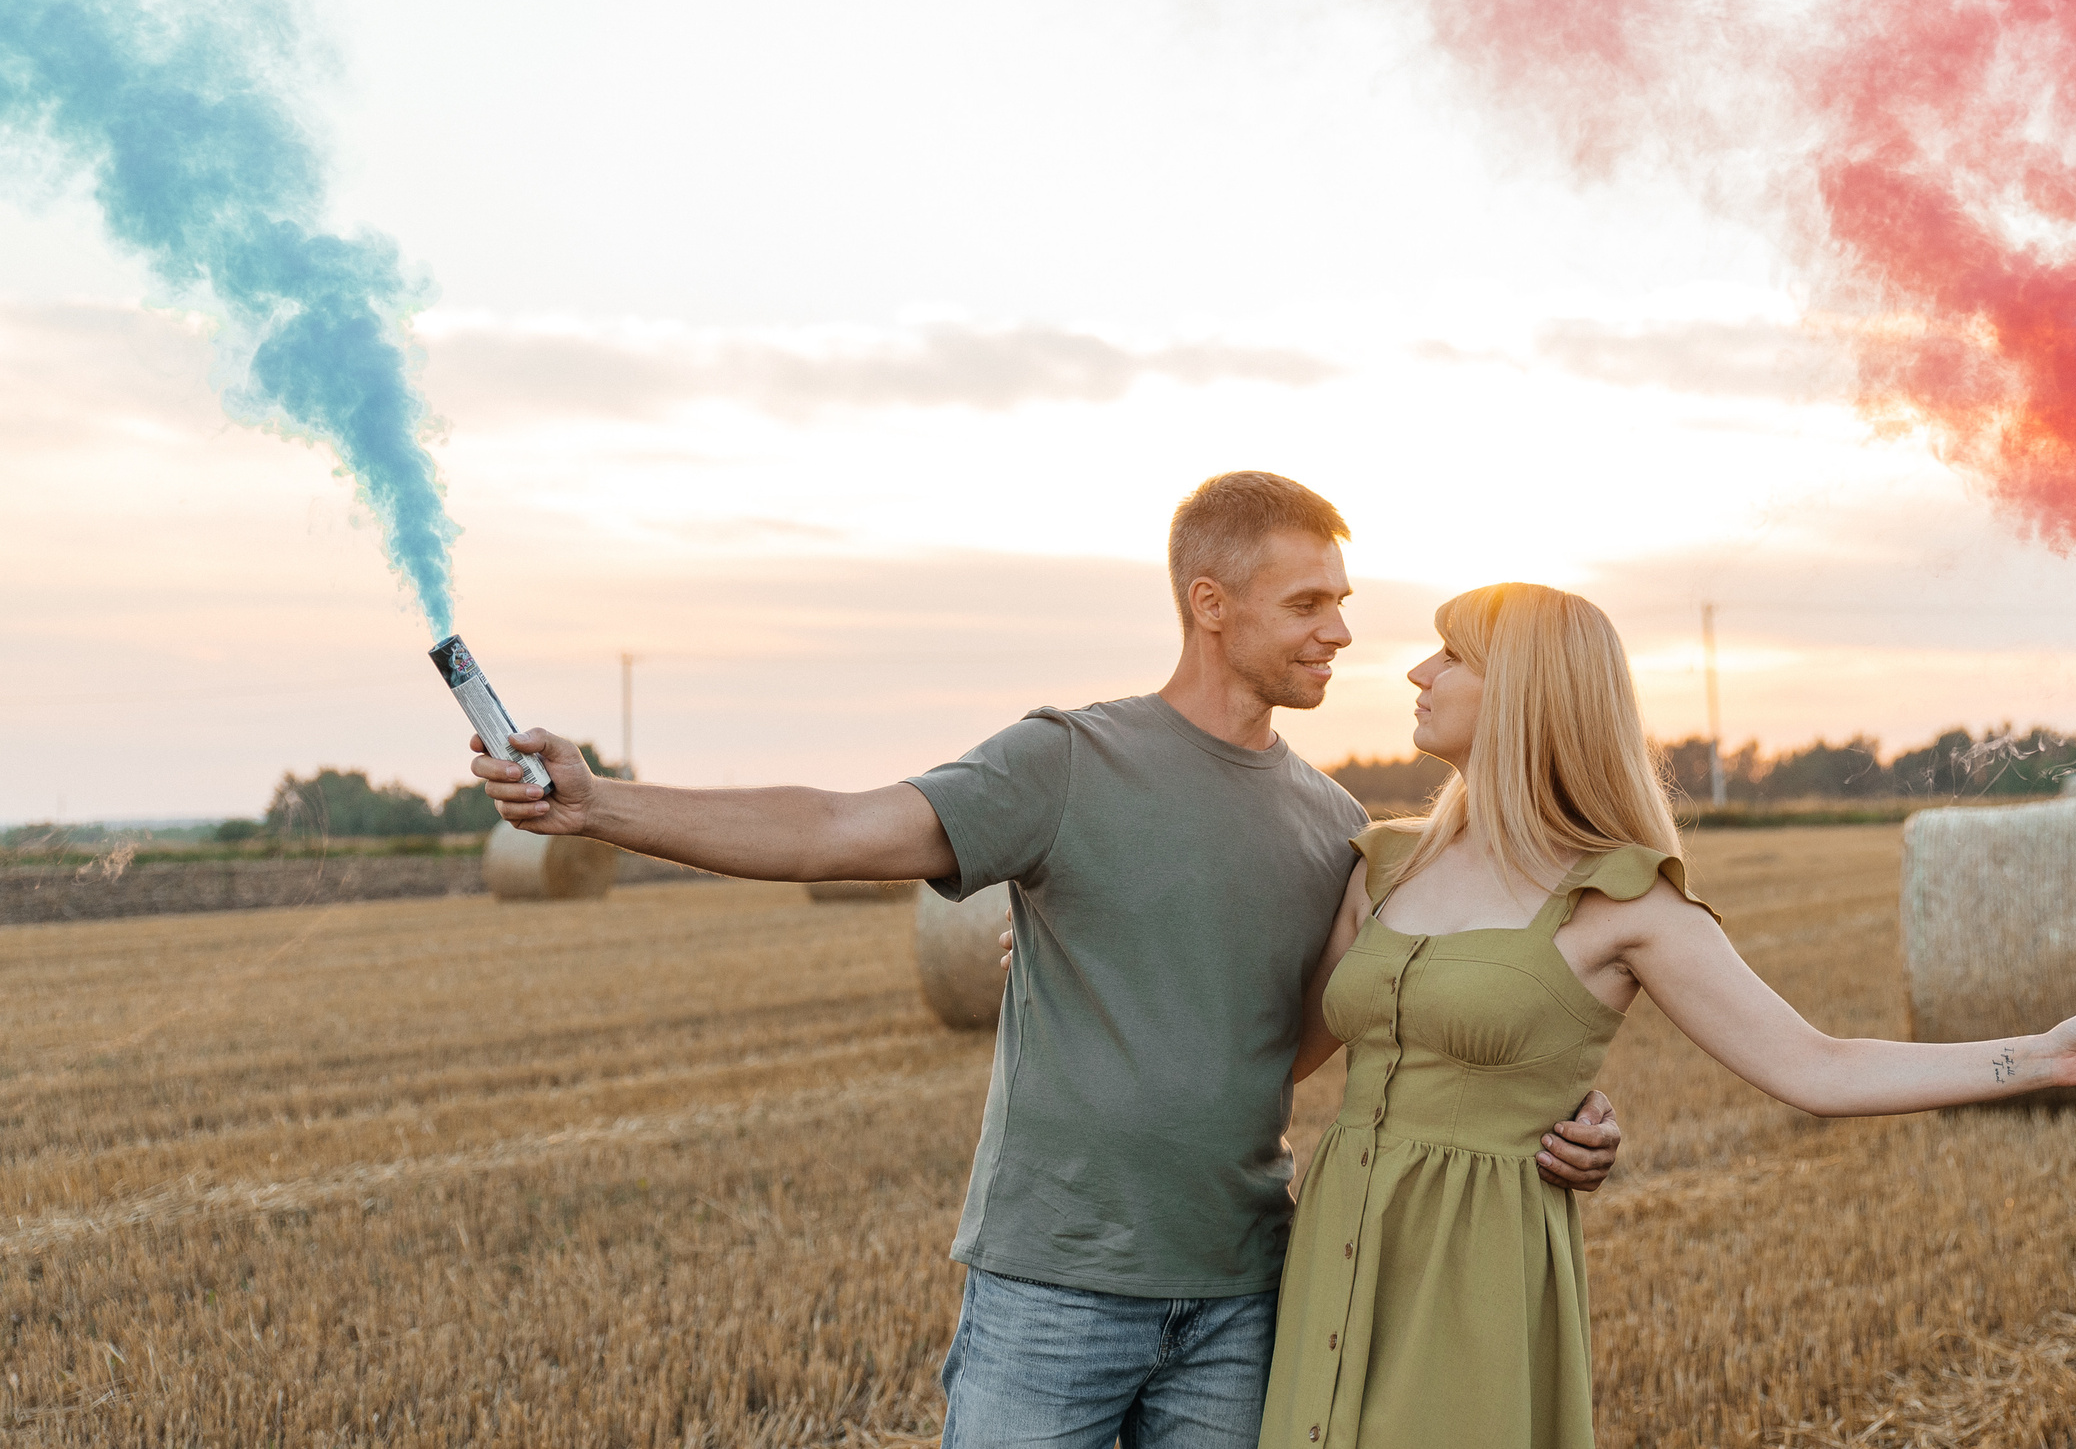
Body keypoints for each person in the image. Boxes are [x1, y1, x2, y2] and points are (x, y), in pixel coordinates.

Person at [467, 472, 1627, 1449]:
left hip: (1245, 1287)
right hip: (1052, 1289)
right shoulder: (1067, 760)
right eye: (1308, 602)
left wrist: (1548, 1104)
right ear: (1209, 603)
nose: (1340, 631)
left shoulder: (1336, 823)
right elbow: (835, 826)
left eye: (1344, 601)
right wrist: (599, 806)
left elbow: (1392, 1013)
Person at [1258, 582, 2076, 1449]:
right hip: (1333, 1246)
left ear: (1525, 692)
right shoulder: (1383, 865)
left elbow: (1818, 1066)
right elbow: (1273, 1058)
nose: (1418, 673)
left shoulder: (1624, 902)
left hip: (1472, 1274)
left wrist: (2044, 1057)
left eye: (1451, 655)